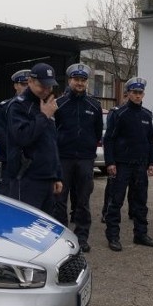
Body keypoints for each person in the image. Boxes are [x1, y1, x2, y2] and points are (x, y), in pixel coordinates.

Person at [102, 77, 153, 251]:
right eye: (134, 92)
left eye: (140, 93)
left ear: (143, 94)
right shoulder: (118, 113)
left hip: (140, 165)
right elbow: (109, 139)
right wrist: (110, 162)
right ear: (128, 93)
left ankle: (140, 234)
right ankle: (113, 237)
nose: (137, 96)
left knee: (141, 202)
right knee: (116, 202)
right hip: (121, 165)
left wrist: (151, 162)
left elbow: (150, 141)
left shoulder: (147, 115)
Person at [53, 63, 103, 253]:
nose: (80, 83)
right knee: (59, 201)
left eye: (83, 80)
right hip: (63, 159)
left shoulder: (94, 105)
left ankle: (82, 237)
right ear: (70, 80)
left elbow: (97, 132)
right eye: (76, 80)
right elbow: (52, 131)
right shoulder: (59, 103)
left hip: (84, 159)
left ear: (86, 82)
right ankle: (61, 239)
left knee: (82, 201)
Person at [5, 63, 63, 214]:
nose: (46, 90)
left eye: (49, 86)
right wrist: (44, 116)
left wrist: (56, 175)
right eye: (42, 85)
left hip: (47, 178)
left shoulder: (46, 104)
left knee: (44, 228)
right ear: (30, 82)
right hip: (26, 179)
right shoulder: (18, 106)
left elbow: (51, 144)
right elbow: (22, 138)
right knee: (23, 226)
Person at [0, 69, 30, 196]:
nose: (26, 88)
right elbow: (2, 136)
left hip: (32, 163)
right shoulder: (5, 107)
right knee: (8, 198)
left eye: (29, 84)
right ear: (16, 85)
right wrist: (17, 155)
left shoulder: (38, 107)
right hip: (11, 162)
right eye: (23, 84)